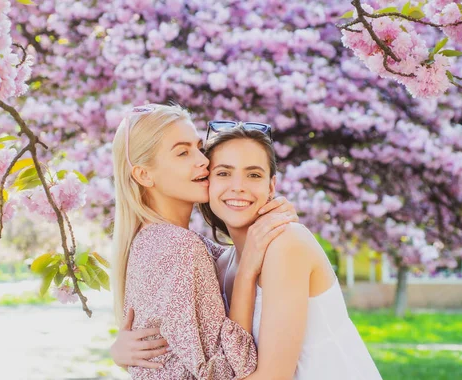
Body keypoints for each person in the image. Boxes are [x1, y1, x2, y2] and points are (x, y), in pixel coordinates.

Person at [120, 120, 383, 379]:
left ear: (271, 186)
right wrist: (123, 354)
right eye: (223, 173)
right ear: (207, 180)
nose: (239, 186)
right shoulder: (219, 263)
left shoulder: (287, 245)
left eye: (254, 175)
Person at [110, 104, 298, 379]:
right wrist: (247, 271)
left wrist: (270, 211)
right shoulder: (178, 247)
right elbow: (226, 371)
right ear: (144, 175)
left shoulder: (152, 242)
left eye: (199, 148)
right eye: (183, 152)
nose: (203, 161)